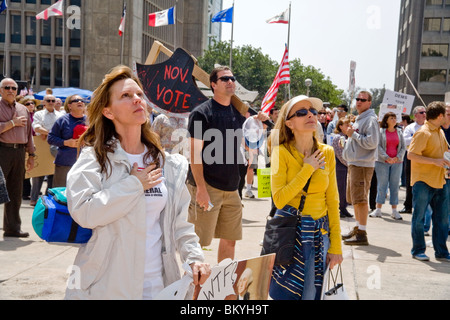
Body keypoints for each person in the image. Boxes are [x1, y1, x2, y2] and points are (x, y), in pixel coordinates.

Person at [65, 65, 210, 299]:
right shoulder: (94, 158)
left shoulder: (168, 164)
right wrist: (134, 185)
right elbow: (85, 213)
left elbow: (179, 226)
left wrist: (194, 259)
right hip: (108, 286)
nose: (137, 100)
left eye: (139, 95)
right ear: (108, 112)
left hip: (160, 286)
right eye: (125, 96)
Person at [187, 66, 268, 263]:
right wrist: (201, 189)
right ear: (213, 85)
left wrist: (258, 125)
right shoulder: (201, 113)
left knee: (230, 240)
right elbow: (195, 154)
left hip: (233, 188)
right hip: (207, 186)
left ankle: (222, 286)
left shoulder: (240, 113)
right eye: (225, 79)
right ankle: (195, 288)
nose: (230, 81)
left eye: (232, 78)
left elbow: (249, 144)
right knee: (198, 242)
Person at [268, 95, 343, 300]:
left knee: (313, 295)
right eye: (301, 112)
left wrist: (336, 246)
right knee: (285, 294)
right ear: (289, 123)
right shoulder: (280, 153)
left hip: (319, 236)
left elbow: (333, 201)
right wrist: (308, 169)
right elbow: (280, 199)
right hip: (289, 235)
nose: (310, 114)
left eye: (312, 111)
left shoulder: (326, 153)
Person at [408, 101, 450, 262]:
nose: (447, 117)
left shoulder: (439, 132)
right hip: (423, 181)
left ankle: (441, 251)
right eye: (446, 114)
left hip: (441, 180)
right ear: (440, 116)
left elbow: (443, 154)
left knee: (442, 219)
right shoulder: (423, 132)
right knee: (418, 218)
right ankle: (418, 250)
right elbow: (411, 155)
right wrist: (434, 162)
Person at [342, 91, 380, 246]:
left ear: (369, 103)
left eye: (362, 100)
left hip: (362, 165)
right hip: (355, 163)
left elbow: (372, 142)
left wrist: (353, 135)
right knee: (355, 199)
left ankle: (362, 232)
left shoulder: (370, 119)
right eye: (357, 99)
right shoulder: (361, 118)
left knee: (360, 199)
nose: (358, 101)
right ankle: (358, 228)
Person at [0, 78, 35, 238]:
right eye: (7, 87)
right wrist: (11, 123)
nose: (11, 90)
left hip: (20, 152)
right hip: (2, 151)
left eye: (14, 88)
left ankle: (12, 228)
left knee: (15, 191)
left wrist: (31, 154)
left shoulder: (23, 109)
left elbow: (29, 134)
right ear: (1, 90)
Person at [370, 112, 406, 220]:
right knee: (382, 185)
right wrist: (386, 157)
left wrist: (397, 157)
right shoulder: (381, 132)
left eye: (395, 118)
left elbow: (403, 147)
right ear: (386, 120)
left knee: (395, 186)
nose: (394, 120)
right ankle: (378, 209)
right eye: (391, 118)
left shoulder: (399, 132)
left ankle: (394, 210)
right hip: (382, 162)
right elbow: (378, 146)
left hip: (397, 163)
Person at [47, 95, 87, 187]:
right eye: (76, 100)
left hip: (85, 164)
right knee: (61, 193)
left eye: (82, 100)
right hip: (65, 164)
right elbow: (50, 138)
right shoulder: (62, 120)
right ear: (69, 106)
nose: (80, 102)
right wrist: (66, 142)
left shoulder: (90, 121)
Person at [30, 94, 62, 206]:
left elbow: (62, 130)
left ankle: (48, 197)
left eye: (53, 100)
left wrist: (47, 133)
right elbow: (37, 127)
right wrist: (51, 134)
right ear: (43, 102)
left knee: (52, 173)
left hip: (56, 145)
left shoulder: (60, 115)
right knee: (38, 174)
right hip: (41, 145)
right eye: (48, 100)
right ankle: (33, 198)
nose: (51, 102)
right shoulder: (38, 114)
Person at [399, 106, 427, 214]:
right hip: (412, 158)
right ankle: (408, 206)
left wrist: (415, 138)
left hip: (426, 158)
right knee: (410, 182)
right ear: (415, 115)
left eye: (425, 112)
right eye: (421, 112)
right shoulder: (410, 128)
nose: (424, 114)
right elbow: (406, 141)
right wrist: (420, 137)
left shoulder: (430, 127)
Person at [332, 116, 352, 218]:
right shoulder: (338, 137)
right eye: (346, 125)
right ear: (340, 126)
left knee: (345, 188)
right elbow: (340, 154)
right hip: (340, 166)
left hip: (346, 166)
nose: (349, 126)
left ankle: (344, 207)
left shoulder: (348, 137)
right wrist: (349, 164)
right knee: (340, 188)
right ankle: (339, 208)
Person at [19, 96, 38, 200]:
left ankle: (30, 190)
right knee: (24, 170)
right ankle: (25, 192)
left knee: (33, 169)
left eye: (32, 103)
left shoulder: (36, 116)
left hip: (36, 144)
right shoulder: (22, 115)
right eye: (28, 104)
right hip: (25, 145)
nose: (31, 105)